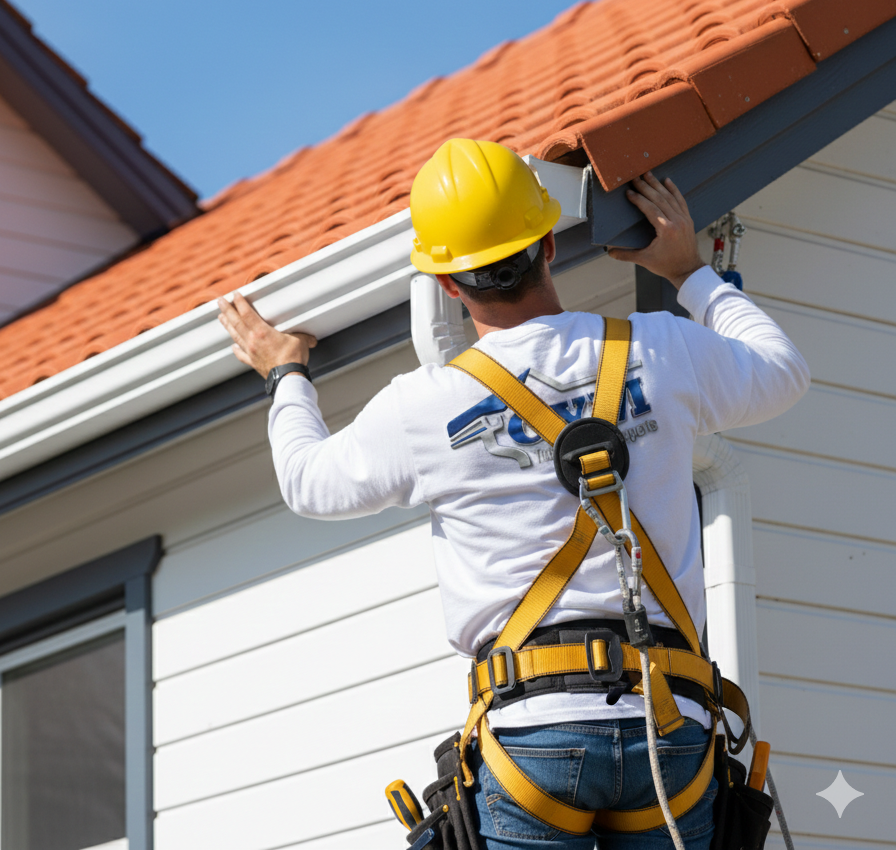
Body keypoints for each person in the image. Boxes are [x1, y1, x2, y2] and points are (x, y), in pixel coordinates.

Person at [217, 139, 809, 850]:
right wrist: (689, 274)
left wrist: (286, 374)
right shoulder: (660, 349)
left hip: (531, 733)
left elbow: (308, 482)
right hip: (667, 724)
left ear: (447, 285)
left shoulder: (426, 407)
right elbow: (782, 371)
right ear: (549, 247)